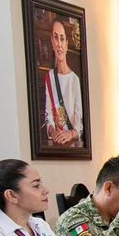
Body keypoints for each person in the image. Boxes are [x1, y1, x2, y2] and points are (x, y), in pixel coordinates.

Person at [42, 19, 84, 149]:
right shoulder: (49, 77)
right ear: (52, 41)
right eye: (56, 38)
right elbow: (48, 115)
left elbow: (79, 121)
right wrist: (53, 132)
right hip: (56, 144)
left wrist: (70, 134)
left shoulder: (74, 80)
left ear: (66, 43)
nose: (59, 44)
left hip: (73, 145)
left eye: (62, 38)